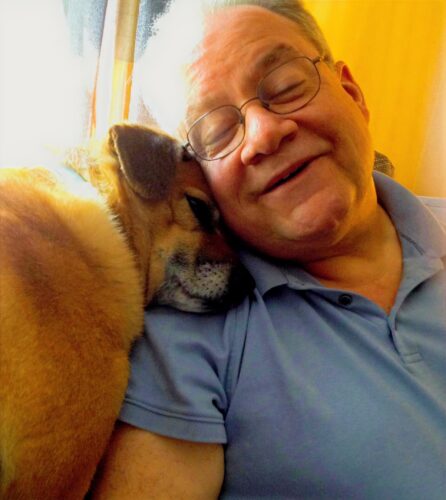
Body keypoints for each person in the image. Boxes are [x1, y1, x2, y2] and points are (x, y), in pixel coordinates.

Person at [92, 1, 446, 498]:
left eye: (286, 87)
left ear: (352, 93)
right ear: (200, 175)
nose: (264, 133)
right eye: (218, 132)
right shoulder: (194, 324)